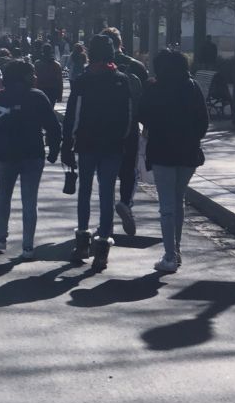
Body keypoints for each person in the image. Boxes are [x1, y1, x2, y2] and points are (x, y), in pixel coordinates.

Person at [61, 34, 132, 271]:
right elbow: (128, 118)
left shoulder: (83, 80)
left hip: (87, 142)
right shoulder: (121, 81)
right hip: (112, 144)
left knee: (85, 191)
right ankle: (103, 245)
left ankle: (82, 240)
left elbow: (73, 115)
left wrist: (67, 143)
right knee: (106, 194)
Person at [139, 49, 209, 273]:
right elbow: (203, 122)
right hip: (187, 152)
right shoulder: (192, 86)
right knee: (178, 202)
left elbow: (143, 115)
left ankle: (170, 255)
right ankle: (176, 251)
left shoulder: (153, 87)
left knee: (167, 206)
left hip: (162, 151)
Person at [0, 59, 61, 258]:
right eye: (32, 73)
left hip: (7, 153)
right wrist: (55, 150)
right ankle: (28, 245)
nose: (36, 76)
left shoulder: (0, 98)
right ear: (26, 77)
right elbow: (53, 127)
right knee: (29, 200)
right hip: (33, 152)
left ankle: (1, 238)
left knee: (4, 196)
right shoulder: (38, 97)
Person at [104, 27, 148, 237]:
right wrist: (147, 125)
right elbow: (148, 98)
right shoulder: (136, 66)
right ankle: (125, 202)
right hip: (130, 126)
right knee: (129, 170)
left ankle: (106, 222)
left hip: (105, 129)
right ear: (121, 42)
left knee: (106, 174)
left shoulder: (99, 66)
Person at [34, 43, 64, 108]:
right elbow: (60, 81)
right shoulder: (56, 65)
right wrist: (60, 94)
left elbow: (34, 78)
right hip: (52, 90)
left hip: (40, 89)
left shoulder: (37, 64)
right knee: (50, 108)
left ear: (43, 51)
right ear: (51, 51)